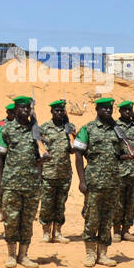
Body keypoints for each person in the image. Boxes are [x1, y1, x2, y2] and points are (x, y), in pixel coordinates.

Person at [72, 97, 129, 267]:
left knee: (107, 218)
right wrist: (82, 180)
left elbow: (120, 154)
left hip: (113, 182)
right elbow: (78, 155)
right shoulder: (88, 129)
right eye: (104, 109)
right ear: (97, 110)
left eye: (110, 109)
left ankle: (103, 253)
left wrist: (131, 156)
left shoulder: (117, 131)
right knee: (92, 217)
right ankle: (90, 253)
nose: (108, 111)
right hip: (93, 182)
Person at [0, 96, 43, 267]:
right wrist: (0, 183)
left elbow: (41, 155)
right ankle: (11, 255)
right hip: (12, 183)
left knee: (27, 221)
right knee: (11, 220)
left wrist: (43, 159)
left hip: (31, 184)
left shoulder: (36, 131)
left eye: (27, 108)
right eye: (21, 108)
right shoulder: (6, 130)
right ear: (15, 110)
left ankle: (24, 255)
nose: (25, 111)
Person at [38, 99, 75, 243]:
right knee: (47, 203)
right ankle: (46, 232)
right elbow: (40, 150)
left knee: (60, 204)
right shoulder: (44, 128)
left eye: (61, 111)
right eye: (56, 111)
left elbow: (73, 149)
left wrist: (70, 134)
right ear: (52, 112)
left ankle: (58, 232)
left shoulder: (70, 127)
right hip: (48, 172)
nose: (59, 113)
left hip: (64, 172)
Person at [113, 100, 134, 240]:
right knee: (118, 200)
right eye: (125, 110)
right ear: (120, 111)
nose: (128, 112)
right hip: (120, 169)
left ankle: (126, 229)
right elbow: (113, 151)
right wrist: (127, 156)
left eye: (130, 109)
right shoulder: (115, 127)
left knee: (131, 200)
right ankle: (116, 229)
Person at [0, 101, 15, 223]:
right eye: (10, 112)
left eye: (13, 112)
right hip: (1, 159)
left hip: (15, 160)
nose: (12, 114)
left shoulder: (21, 124)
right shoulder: (0, 124)